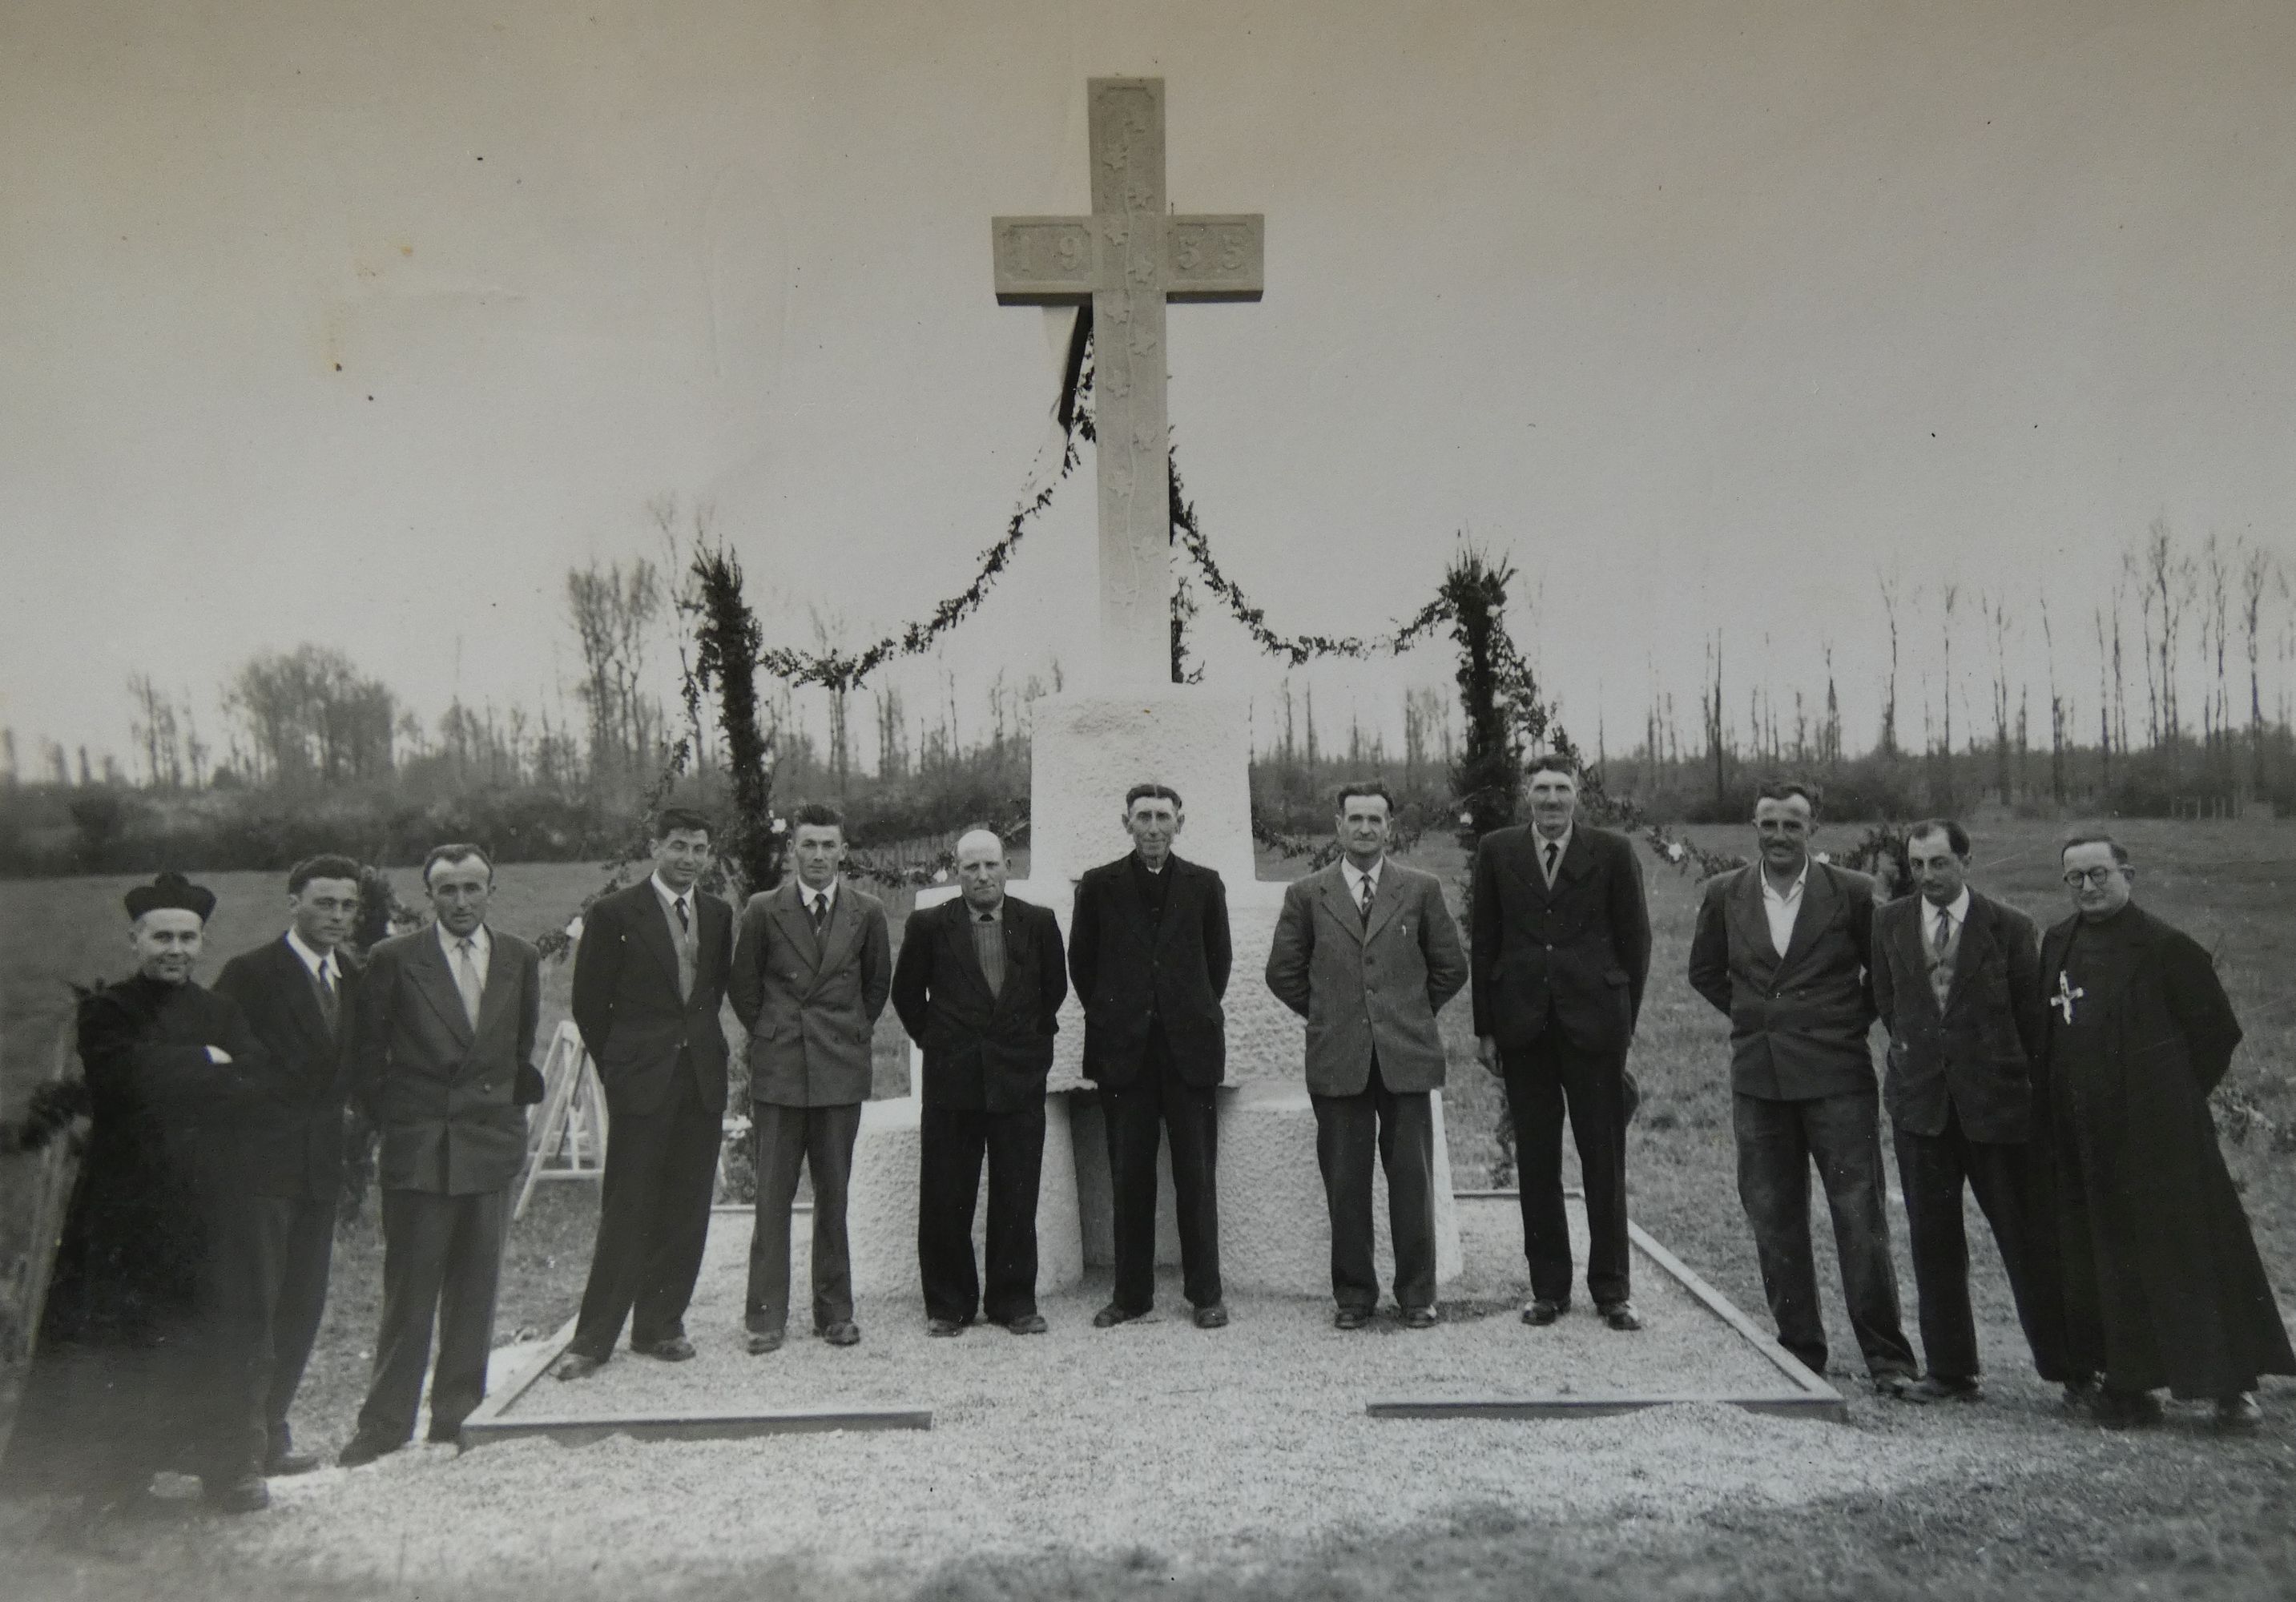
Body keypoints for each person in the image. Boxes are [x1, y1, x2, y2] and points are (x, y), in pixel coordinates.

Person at [0, 872, 276, 1517]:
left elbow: (259, 1084)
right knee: (125, 1333)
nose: (174, 949)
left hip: (209, 1200)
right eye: (161, 937)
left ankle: (224, 1469)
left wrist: (183, 1066)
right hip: (126, 1201)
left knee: (213, 1327)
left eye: (187, 937)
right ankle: (119, 1472)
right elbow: (122, 1084)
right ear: (135, 940)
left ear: (203, 943)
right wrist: (208, 1062)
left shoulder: (222, 1011)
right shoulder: (107, 1011)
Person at [2040, 832, 2294, 1430]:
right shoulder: (2057, 943)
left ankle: (2232, 1391)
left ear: (2127, 873)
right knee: (2111, 1260)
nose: (2088, 887)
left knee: (2192, 1256)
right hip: (2090, 1141)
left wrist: (2168, 1099)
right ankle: (2130, 1386)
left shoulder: (2168, 947)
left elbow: (2215, 1035)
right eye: (2075, 877)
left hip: (2164, 1141)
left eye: (2099, 873)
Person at [1686, 780, 1919, 1396]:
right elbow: (1705, 971)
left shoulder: (1853, 892)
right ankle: (1800, 1352)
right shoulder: (1725, 894)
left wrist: (1842, 1019)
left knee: (1858, 1216)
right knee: (1773, 1216)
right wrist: (1758, 1019)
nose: (1780, 837)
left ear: (1812, 831)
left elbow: (1887, 972)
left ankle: (1887, 1358)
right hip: (1759, 1082)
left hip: (1838, 1080)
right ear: (1754, 829)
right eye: (1770, 825)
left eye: (1793, 825)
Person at [338, 844, 541, 1465]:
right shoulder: (394, 960)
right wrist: (405, 1124)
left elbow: (517, 1049)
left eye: (472, 888)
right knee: (412, 1290)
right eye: (447, 890)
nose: (460, 902)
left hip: (488, 1147)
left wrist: (500, 1120)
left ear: (490, 892)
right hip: (422, 1148)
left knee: (476, 1289)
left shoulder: (518, 958)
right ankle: (386, 1423)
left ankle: (456, 1414)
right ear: (430, 896)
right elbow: (367, 1061)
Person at [1869, 819, 2073, 1403]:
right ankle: (1951, 1372)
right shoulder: (1888, 923)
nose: (1927, 876)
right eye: (1917, 865)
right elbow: (1891, 1005)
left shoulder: (2008, 927)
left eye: (1939, 863)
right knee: (1932, 1243)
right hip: (1922, 1110)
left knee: (2026, 1240)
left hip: (1998, 1111)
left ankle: (2071, 1371)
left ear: (1965, 862)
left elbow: (2032, 1021)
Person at [1265, 781, 1468, 1330]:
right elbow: (1281, 973)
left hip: (1405, 1059)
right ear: (1337, 826)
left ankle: (1417, 1296)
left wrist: (1405, 1014)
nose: (1365, 829)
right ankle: (1354, 1297)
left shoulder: (1420, 890)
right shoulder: (1308, 894)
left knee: (1412, 1183)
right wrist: (1334, 1015)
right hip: (1339, 1060)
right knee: (1347, 1184)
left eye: (1375, 819)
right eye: (1354, 819)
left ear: (1390, 827)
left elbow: (1451, 967)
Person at [1470, 755, 1651, 1331]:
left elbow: (1636, 941)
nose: (1552, 800)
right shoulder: (1499, 851)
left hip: (1594, 1025)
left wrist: (1623, 1021)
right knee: (1538, 1160)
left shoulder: (1612, 851)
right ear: (1527, 795)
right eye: (1542, 789)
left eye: (1562, 789)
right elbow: (1486, 941)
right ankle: (1548, 1288)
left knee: (1604, 1158)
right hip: (1524, 1026)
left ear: (1578, 796)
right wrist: (1486, 1027)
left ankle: (1612, 1289)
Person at [552, 808, 735, 1380]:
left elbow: (711, 995)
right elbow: (589, 1005)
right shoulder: (613, 914)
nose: (688, 858)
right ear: (655, 847)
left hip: (700, 1077)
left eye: (699, 848)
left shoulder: (718, 914)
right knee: (629, 1207)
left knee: (687, 1205)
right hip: (641, 1079)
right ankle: (592, 1339)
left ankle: (660, 1324)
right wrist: (624, 1067)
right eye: (678, 845)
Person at [210, 855, 367, 1478]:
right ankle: (236, 1452)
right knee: (255, 1309)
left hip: (319, 1169)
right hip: (259, 1171)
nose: (336, 915)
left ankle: (272, 1432)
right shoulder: (249, 975)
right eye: (323, 903)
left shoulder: (351, 977)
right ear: (293, 903)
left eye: (347, 905)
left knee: (301, 1306)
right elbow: (222, 1073)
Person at [727, 802, 892, 1354]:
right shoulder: (762, 909)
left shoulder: (865, 912)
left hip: (839, 1073)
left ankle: (835, 1312)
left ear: (843, 851)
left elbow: (875, 989)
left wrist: (842, 1036)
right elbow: (744, 989)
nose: (818, 856)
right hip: (780, 1073)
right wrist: (776, 1035)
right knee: (772, 1197)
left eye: (828, 846)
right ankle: (766, 1316)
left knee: (834, 1197)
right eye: (808, 846)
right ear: (792, 850)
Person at [1068, 783, 1234, 1330]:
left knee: (1197, 1176)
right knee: (1129, 1177)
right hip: (1125, 1057)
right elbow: (1084, 968)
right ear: (1127, 823)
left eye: (1164, 816)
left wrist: (1184, 1012)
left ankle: (1205, 1294)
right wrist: (1124, 1017)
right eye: (1144, 816)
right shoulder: (1098, 886)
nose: (1154, 827)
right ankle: (1131, 1295)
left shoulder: (1205, 885)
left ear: (1180, 823)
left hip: (1190, 1054)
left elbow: (1219, 965)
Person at [890, 827, 1068, 1336]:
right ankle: (949, 1305)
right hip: (953, 1080)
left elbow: (1052, 990)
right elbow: (907, 996)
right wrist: (940, 1042)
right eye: (971, 867)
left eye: (990, 865)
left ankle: (1014, 1302)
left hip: (1017, 1078)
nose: (982, 876)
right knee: (947, 1193)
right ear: (956, 871)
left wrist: (1026, 1044)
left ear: (1007, 866)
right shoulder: (929, 925)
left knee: (1016, 1191)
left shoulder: (1038, 923)